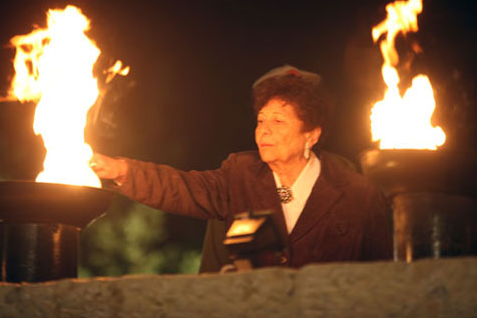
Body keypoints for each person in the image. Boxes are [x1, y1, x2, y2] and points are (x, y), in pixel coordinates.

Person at [91, 65, 392, 270]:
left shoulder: (358, 194)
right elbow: (179, 187)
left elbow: (383, 273)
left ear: (311, 135)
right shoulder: (240, 175)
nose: (264, 131)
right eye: (261, 120)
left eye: (278, 121)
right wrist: (120, 170)